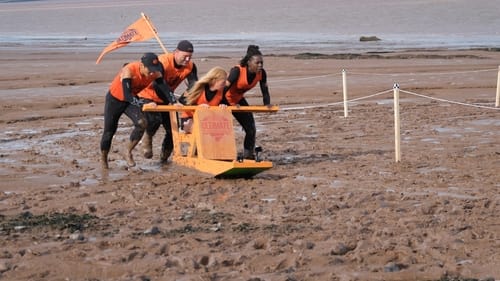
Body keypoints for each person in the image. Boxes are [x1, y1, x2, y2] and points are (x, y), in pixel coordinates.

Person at [100, 52, 169, 169]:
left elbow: (165, 90)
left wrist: (173, 101)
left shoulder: (155, 73)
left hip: (129, 102)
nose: (152, 73)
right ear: (142, 66)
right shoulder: (129, 70)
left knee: (142, 123)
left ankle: (127, 151)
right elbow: (127, 95)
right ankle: (103, 159)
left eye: (154, 69)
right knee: (109, 131)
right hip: (115, 99)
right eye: (149, 70)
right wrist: (143, 103)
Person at [137, 40, 198, 164]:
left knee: (173, 130)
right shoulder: (163, 62)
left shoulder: (190, 66)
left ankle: (164, 158)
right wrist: (171, 100)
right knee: (155, 121)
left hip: (168, 99)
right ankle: (147, 138)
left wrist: (183, 100)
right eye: (184, 56)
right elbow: (158, 84)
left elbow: (195, 86)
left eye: (189, 57)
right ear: (175, 52)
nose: (187, 60)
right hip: (149, 94)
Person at [224, 45, 271, 159]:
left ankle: (248, 155)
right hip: (223, 99)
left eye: (261, 63)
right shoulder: (237, 71)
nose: (260, 65)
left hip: (239, 100)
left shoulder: (261, 73)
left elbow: (265, 90)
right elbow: (222, 90)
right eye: (257, 63)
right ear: (249, 62)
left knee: (251, 129)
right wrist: (226, 104)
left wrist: (267, 104)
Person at [180, 66, 228, 133]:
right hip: (189, 118)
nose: (226, 84)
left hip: (207, 120)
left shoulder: (222, 91)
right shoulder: (197, 86)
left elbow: (226, 103)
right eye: (223, 82)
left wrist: (223, 105)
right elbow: (182, 100)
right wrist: (197, 106)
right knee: (199, 130)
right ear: (215, 80)